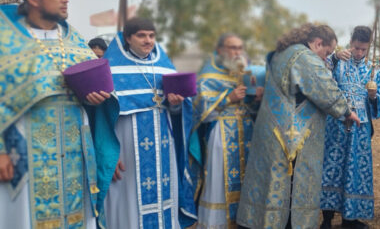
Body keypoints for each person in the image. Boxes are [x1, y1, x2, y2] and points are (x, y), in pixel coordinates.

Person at [0, 0, 109, 228]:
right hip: (25, 149)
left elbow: (94, 95)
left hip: (75, 148)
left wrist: (94, 100)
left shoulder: (74, 40)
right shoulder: (6, 40)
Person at [236, 23, 361, 229]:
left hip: (272, 131)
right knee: (289, 188)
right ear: (318, 43)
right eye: (326, 53)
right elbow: (325, 89)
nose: (325, 59)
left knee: (270, 186)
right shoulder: (304, 56)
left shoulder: (282, 53)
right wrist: (346, 111)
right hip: (289, 137)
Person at [93, 17, 196, 229]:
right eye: (141, 35)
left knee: (164, 200)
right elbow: (100, 118)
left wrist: (176, 105)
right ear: (128, 38)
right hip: (126, 150)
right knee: (129, 201)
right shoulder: (110, 70)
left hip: (164, 151)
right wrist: (107, 156)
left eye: (151, 35)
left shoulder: (164, 67)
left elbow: (177, 113)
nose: (148, 40)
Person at [190, 33, 263, 228]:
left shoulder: (248, 73)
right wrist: (228, 98)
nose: (237, 52)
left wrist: (256, 99)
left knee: (247, 182)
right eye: (232, 48)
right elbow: (199, 111)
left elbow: (253, 110)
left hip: (248, 134)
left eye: (240, 48)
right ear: (220, 50)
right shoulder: (209, 74)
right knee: (219, 182)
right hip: (221, 134)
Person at [320, 26, 380, 229]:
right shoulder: (338, 60)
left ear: (369, 48)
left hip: (360, 128)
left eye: (363, 50)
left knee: (355, 170)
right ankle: (327, 219)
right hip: (336, 125)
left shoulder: (373, 69)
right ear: (351, 43)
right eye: (356, 48)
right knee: (332, 169)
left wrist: (374, 97)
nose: (359, 53)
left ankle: (349, 219)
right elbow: (321, 75)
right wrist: (333, 58)